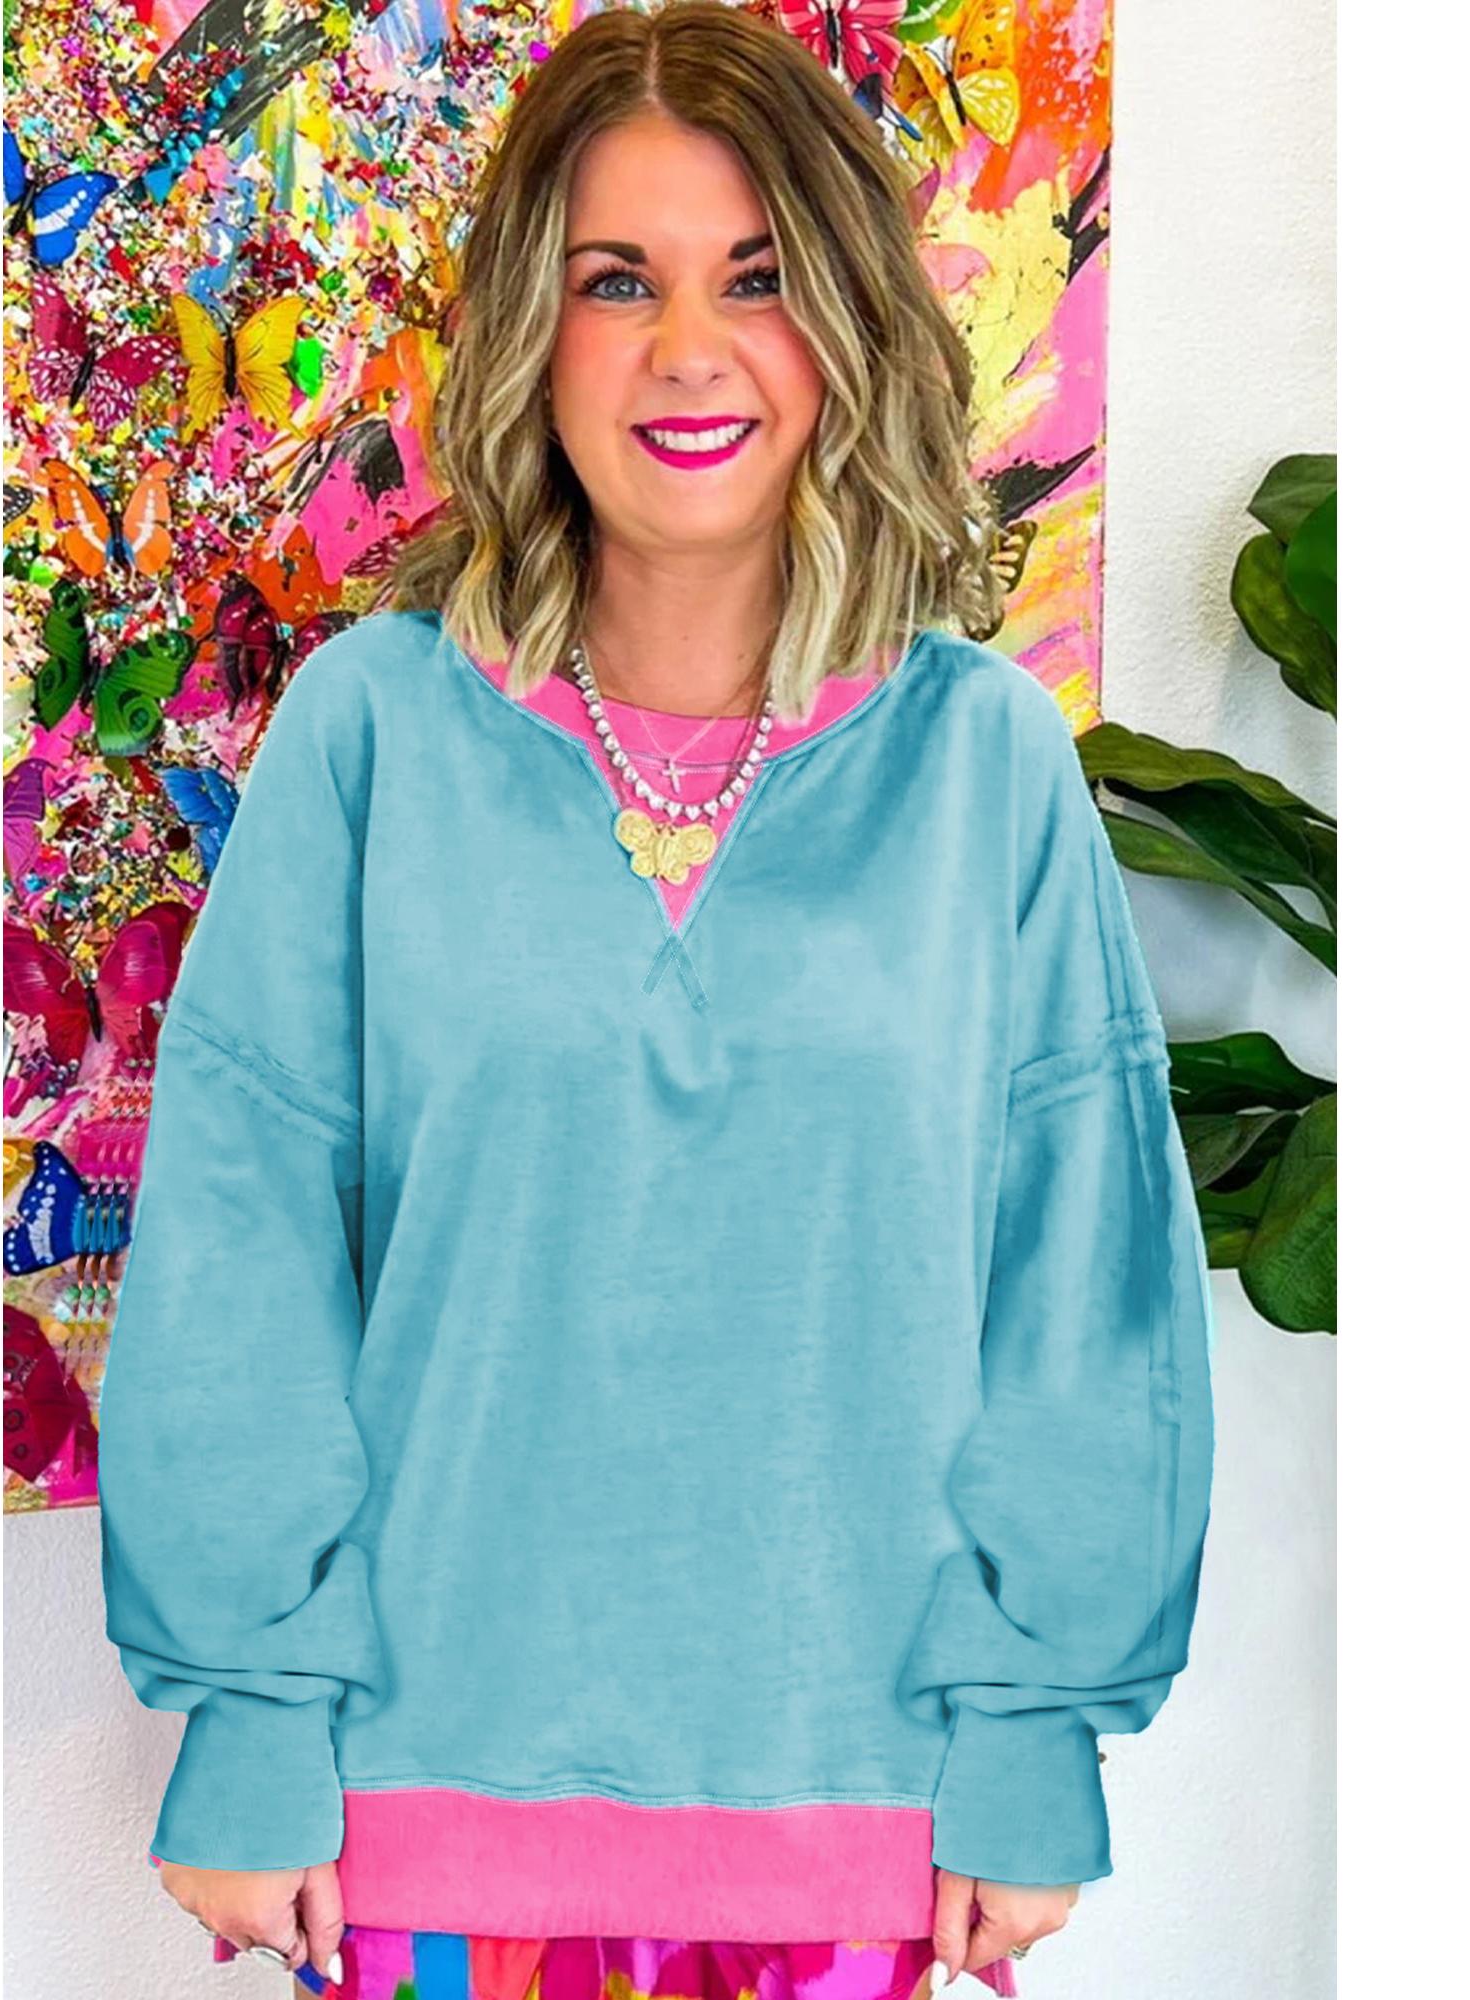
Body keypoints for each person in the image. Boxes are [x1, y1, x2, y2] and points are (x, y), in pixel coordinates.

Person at [95, 7, 1216, 1998]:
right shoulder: (371, 734)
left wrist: (1034, 1729)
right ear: (534, 335)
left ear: (844, 325)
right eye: (619, 282)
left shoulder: (982, 760)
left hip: (869, 1831)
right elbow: (241, 1248)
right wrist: (250, 1710)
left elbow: (1082, 1284)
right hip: (417, 1822)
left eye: (754, 279)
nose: (688, 348)